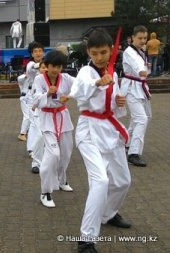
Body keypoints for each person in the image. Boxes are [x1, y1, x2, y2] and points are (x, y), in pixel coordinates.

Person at [70, 29, 131, 253]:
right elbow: (78, 92)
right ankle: (86, 239)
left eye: (103, 52)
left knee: (123, 181)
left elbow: (115, 110)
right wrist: (97, 83)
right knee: (101, 181)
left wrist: (119, 101)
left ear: (111, 50)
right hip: (89, 131)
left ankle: (108, 214)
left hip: (109, 129)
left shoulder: (113, 73)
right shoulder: (86, 72)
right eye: (94, 53)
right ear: (88, 52)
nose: (99, 57)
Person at [33, 50, 75, 208]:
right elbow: (35, 98)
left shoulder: (66, 78)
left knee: (65, 152)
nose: (56, 70)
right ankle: (45, 192)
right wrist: (47, 94)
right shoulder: (39, 79)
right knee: (53, 155)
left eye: (59, 66)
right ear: (46, 65)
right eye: (53, 66)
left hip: (63, 116)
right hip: (47, 119)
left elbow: (80, 85)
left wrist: (70, 96)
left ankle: (62, 180)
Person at [121, 25, 152, 167]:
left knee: (143, 117)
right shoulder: (129, 51)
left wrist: (146, 69)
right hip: (132, 88)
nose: (142, 40)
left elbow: (144, 68)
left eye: (145, 38)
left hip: (140, 86)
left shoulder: (141, 51)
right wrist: (142, 70)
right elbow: (137, 65)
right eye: (140, 38)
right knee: (141, 119)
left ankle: (126, 143)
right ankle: (134, 153)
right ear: (133, 37)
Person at [17, 41, 44, 143]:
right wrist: (45, 64)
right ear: (32, 54)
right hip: (27, 95)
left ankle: (34, 134)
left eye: (40, 51)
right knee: (29, 116)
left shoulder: (44, 66)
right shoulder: (31, 64)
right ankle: (23, 134)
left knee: (36, 116)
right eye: (35, 51)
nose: (38, 53)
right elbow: (33, 67)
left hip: (38, 95)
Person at [29, 61, 47, 174]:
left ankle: (48, 162)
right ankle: (36, 163)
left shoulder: (54, 79)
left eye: (47, 67)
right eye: (43, 67)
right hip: (39, 112)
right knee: (40, 135)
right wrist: (35, 104)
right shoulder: (38, 79)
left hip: (53, 113)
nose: (45, 69)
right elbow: (34, 95)